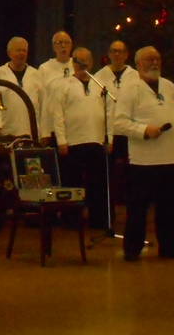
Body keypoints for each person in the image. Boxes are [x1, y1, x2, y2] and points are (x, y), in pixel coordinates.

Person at [114, 46, 174, 262]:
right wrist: (144, 130)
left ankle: (170, 248)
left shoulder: (170, 87)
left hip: (170, 158)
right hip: (143, 162)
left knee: (169, 208)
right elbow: (119, 123)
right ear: (138, 64)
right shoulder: (130, 89)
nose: (154, 63)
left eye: (157, 59)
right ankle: (132, 249)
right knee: (138, 208)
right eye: (149, 59)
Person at [52, 47, 112, 229]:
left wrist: (109, 139)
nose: (82, 65)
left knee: (98, 184)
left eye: (86, 61)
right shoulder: (63, 85)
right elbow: (57, 115)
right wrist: (61, 141)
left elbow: (110, 113)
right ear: (73, 62)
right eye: (79, 61)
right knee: (72, 183)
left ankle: (98, 220)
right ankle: (71, 220)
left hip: (96, 141)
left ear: (91, 63)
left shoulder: (100, 85)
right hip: (73, 142)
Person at [94, 40, 139, 161]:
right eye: (114, 51)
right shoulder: (99, 77)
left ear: (126, 54)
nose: (117, 54)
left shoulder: (136, 77)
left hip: (130, 132)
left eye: (120, 51)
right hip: (108, 134)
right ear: (109, 54)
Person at [0, 37, 43, 138]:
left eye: (24, 50)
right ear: (9, 53)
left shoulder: (36, 74)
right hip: (7, 132)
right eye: (18, 50)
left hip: (33, 132)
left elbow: (43, 105)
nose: (21, 53)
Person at [38, 31, 74, 144]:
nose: (63, 46)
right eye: (59, 43)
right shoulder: (44, 68)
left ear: (71, 45)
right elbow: (42, 101)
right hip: (52, 126)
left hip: (74, 125)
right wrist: (44, 132)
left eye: (66, 42)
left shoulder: (77, 65)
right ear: (54, 47)